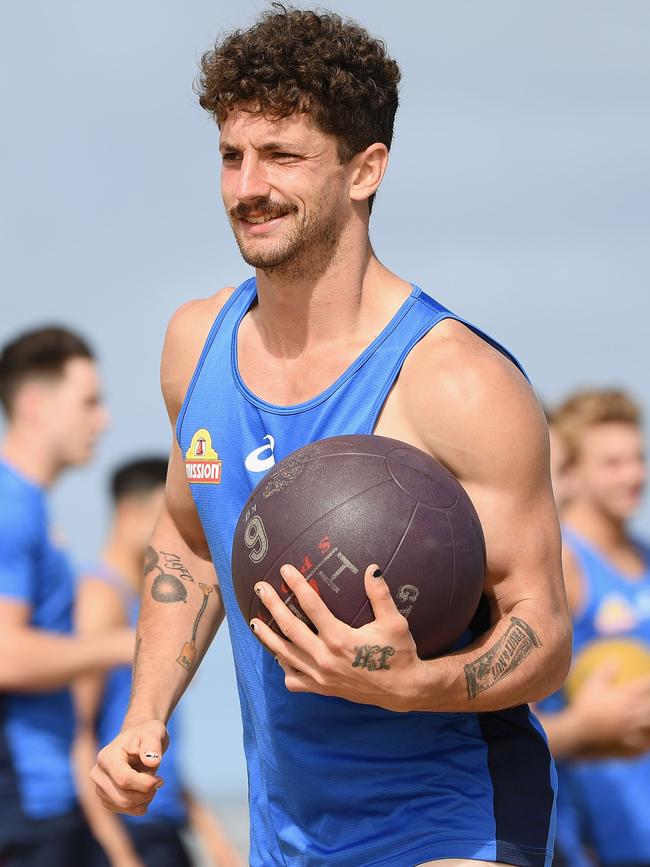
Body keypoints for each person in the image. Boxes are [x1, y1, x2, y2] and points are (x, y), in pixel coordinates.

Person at [92, 8, 572, 867]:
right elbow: (192, 539)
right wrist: (146, 712)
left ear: (365, 169)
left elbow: (544, 631)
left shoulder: (456, 381)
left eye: (283, 157)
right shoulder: (193, 345)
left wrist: (415, 683)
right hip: (288, 831)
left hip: (452, 817)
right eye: (232, 156)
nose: (248, 187)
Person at [0, 326, 134, 866]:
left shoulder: (30, 506)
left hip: (49, 795)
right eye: (89, 402)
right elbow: (5, 655)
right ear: (34, 403)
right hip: (24, 799)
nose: (102, 420)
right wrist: (127, 644)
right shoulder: (11, 505)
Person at [74, 457, 241, 867]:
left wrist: (212, 836)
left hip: (162, 825)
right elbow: (78, 736)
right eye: (160, 519)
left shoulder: (147, 612)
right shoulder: (101, 598)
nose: (168, 536)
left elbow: (158, 752)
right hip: (126, 830)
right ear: (129, 514)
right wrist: (120, 854)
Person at [543, 390, 650, 866]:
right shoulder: (563, 563)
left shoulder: (644, 557)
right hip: (590, 835)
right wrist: (585, 728)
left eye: (638, 458)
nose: (634, 476)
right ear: (574, 473)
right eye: (612, 463)